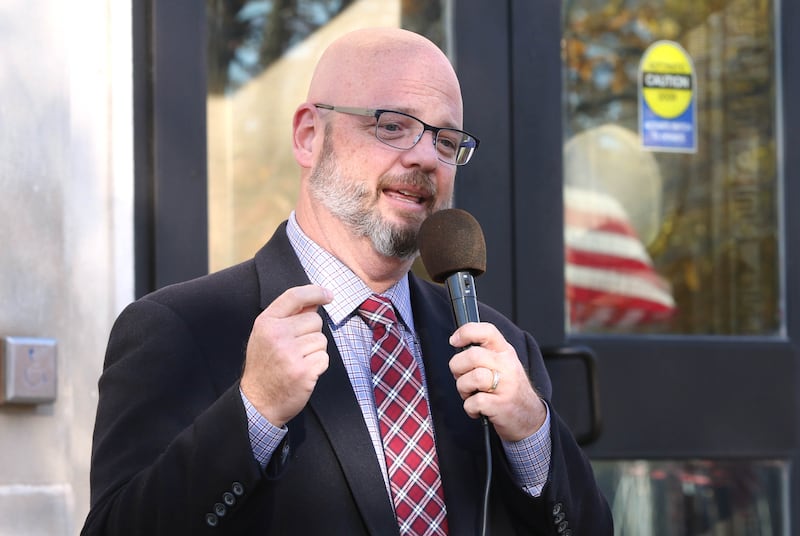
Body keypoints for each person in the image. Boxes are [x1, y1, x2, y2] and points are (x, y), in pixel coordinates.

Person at [82, 27, 613, 535]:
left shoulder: (495, 347)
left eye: (447, 141)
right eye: (392, 125)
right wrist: (254, 412)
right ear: (310, 137)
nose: (427, 156)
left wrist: (530, 433)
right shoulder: (182, 329)